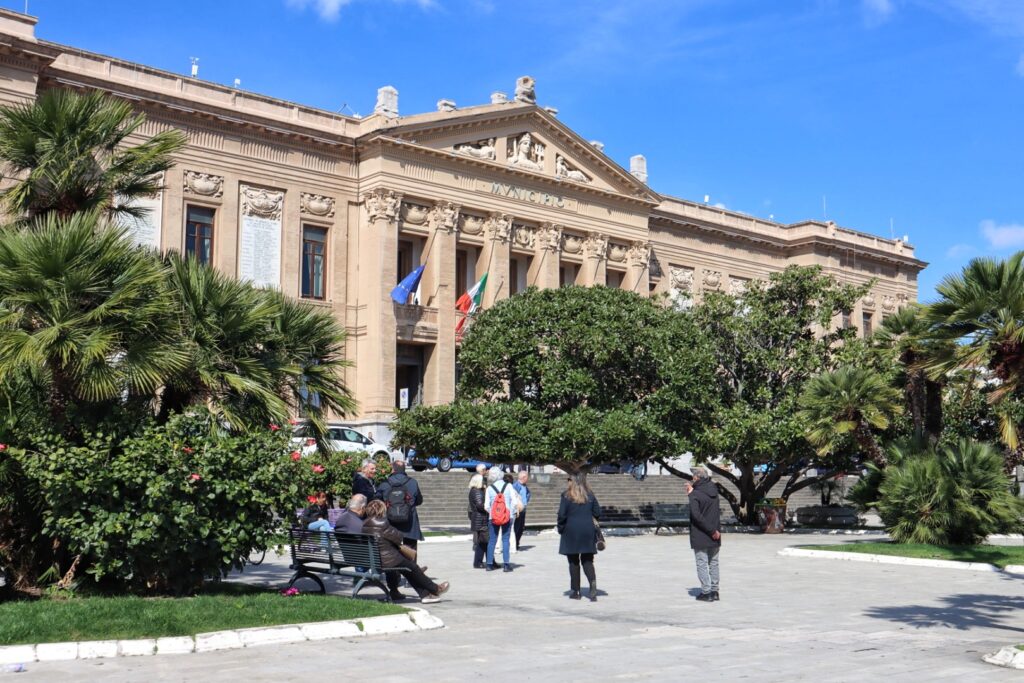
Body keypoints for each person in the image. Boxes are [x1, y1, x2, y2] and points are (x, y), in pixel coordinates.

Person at [362, 499, 449, 603]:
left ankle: (424, 595)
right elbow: (399, 537)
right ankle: (435, 589)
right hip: (389, 560)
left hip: (376, 561)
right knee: (413, 568)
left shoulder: (364, 525)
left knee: (408, 569)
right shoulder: (383, 523)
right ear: (382, 510)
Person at [557, 472, 602, 601]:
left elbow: (561, 515)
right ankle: (592, 583)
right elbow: (597, 512)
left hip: (571, 531)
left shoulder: (566, 495)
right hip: (587, 530)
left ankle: (576, 591)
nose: (568, 481)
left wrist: (561, 528)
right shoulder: (590, 495)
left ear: (573, 481)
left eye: (569, 479)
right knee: (588, 560)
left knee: (573, 562)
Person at [686, 466, 721, 602]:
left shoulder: (695, 494)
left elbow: (696, 515)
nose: (692, 479)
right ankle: (715, 590)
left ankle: (706, 592)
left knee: (702, 562)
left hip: (702, 533)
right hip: (715, 532)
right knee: (714, 562)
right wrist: (714, 531)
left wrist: (690, 494)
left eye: (693, 477)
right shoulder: (714, 490)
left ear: (697, 478)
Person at [376, 459, 424, 549]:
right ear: (404, 469)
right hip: (410, 524)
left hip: (391, 524)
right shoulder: (413, 482)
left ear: (393, 470)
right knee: (411, 554)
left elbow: (377, 501)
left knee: (392, 553)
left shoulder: (385, 483)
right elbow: (419, 501)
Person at [484, 467, 521, 572]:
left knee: (492, 540)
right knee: (505, 540)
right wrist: (511, 513)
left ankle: (489, 564)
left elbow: (486, 506)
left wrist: (494, 513)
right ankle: (506, 564)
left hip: (493, 517)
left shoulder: (489, 488)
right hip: (507, 517)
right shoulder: (508, 486)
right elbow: (514, 502)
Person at [467, 473, 488, 568]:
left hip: (480, 519)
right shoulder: (477, 492)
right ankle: (480, 562)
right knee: (484, 542)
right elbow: (480, 505)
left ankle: (480, 562)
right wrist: (490, 509)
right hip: (481, 519)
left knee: (482, 542)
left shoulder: (476, 491)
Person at [512, 470, 531, 551]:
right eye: (527, 477)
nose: (528, 478)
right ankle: (514, 544)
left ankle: (517, 543)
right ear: (523, 477)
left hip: (523, 509)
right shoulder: (515, 486)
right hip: (517, 510)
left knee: (521, 528)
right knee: (516, 527)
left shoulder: (525, 486)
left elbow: (527, 495)